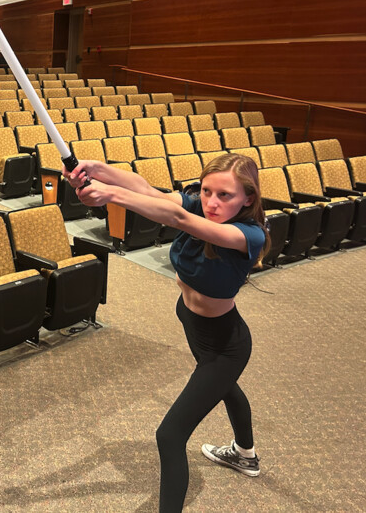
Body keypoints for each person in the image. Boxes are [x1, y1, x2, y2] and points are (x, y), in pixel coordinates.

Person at [63, 153, 269, 513]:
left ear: (248, 198)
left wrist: (110, 194)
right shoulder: (202, 207)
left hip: (226, 345)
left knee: (170, 435)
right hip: (194, 325)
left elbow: (177, 218)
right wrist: (97, 170)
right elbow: (148, 191)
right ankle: (244, 454)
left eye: (225, 195)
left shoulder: (248, 234)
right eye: (206, 191)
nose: (212, 202)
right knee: (225, 388)